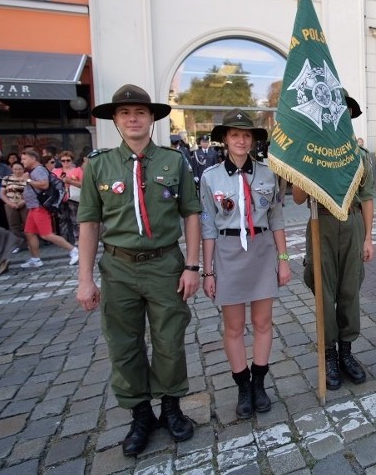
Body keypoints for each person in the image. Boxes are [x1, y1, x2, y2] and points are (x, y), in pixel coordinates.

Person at [76, 84, 201, 457]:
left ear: (152, 119)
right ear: (115, 120)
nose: (133, 118)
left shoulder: (173, 161)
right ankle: (141, 415)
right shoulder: (98, 165)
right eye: (125, 113)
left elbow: (191, 214)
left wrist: (192, 266)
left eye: (140, 112)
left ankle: (172, 408)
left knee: (169, 339)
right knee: (123, 345)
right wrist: (85, 279)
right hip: (117, 268)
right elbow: (88, 223)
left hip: (165, 265)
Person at [200, 108, 290, 417]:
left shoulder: (267, 173)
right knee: (234, 326)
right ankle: (242, 385)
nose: (241, 140)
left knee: (263, 322)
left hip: (262, 249)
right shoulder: (210, 178)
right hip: (228, 251)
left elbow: (276, 217)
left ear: (253, 140)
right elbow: (208, 226)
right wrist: (208, 270)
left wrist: (284, 259)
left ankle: (259, 383)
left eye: (246, 135)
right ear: (225, 139)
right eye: (235, 134)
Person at [295, 95, 374, 390]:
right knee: (324, 292)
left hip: (351, 223)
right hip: (322, 222)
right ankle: (327, 353)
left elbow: (366, 198)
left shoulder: (360, 155)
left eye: (343, 114)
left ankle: (346, 352)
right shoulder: (313, 152)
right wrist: (306, 165)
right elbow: (299, 198)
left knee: (350, 289)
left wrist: (367, 237)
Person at [19, 149, 78, 268]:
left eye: (24, 159)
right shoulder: (34, 170)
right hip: (33, 207)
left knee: (46, 234)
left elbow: (44, 185)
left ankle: (74, 251)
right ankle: (35, 259)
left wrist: (28, 180)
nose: (22, 161)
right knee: (29, 233)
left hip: (39, 207)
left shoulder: (38, 170)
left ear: (33, 158)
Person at [52, 150, 83, 246]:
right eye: (63, 160)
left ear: (72, 160)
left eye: (68, 160)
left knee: (75, 219)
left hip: (73, 197)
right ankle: (64, 240)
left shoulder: (77, 170)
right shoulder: (56, 171)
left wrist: (70, 181)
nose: (65, 162)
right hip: (60, 198)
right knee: (62, 219)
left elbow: (83, 184)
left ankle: (78, 239)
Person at [1, 162, 28, 253]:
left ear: (23, 169)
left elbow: (31, 193)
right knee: (14, 225)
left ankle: (30, 243)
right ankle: (17, 245)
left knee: (27, 224)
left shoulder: (27, 179)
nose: (17, 171)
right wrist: (9, 203)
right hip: (10, 204)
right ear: (11, 169)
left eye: (20, 169)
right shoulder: (6, 179)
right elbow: (2, 194)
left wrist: (23, 202)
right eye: (15, 169)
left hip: (25, 203)